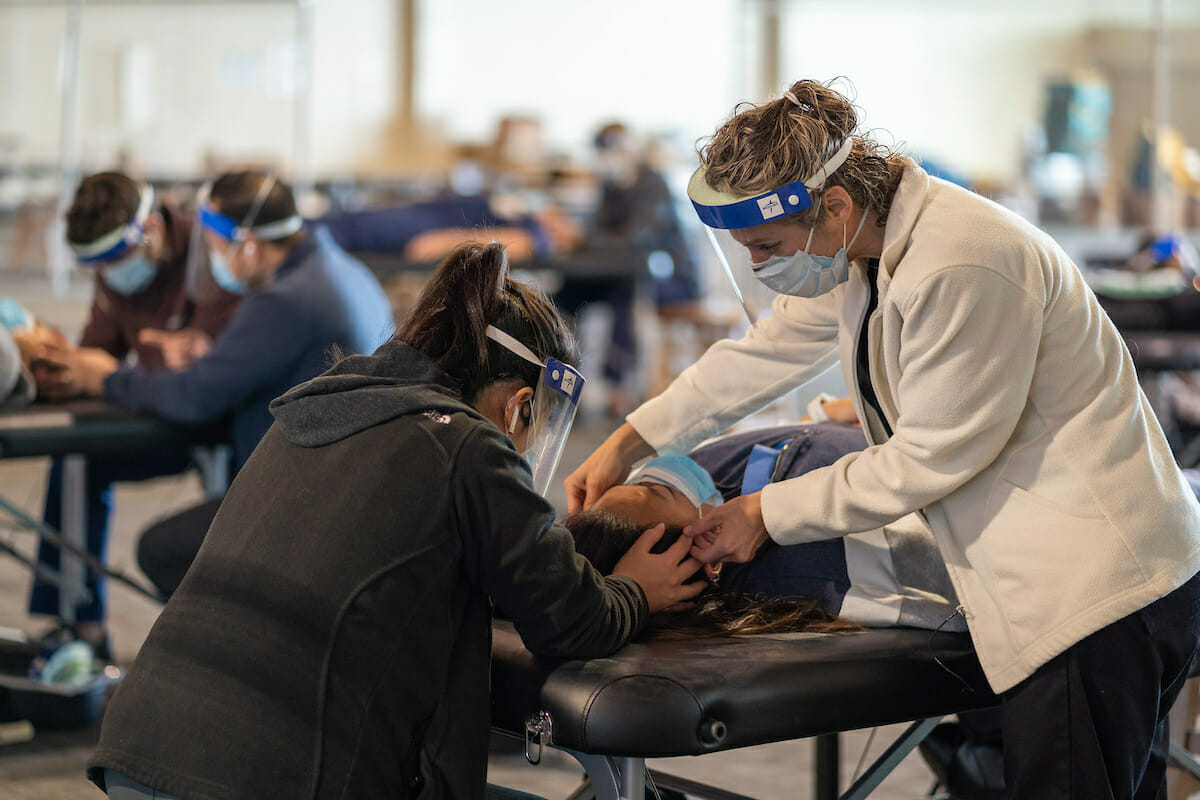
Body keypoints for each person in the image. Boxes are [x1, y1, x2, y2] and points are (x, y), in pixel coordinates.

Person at [567, 79, 1200, 799]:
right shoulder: (863, 253)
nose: (763, 266)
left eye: (769, 246)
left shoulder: (963, 259)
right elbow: (763, 354)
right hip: (1063, 580)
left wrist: (761, 514)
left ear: (832, 207)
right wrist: (632, 437)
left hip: (1097, 593)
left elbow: (931, 456)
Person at [86, 242, 703, 800]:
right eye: (536, 424)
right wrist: (637, 592)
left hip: (141, 749)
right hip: (271, 777)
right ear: (518, 403)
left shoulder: (318, 411)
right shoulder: (467, 446)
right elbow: (575, 621)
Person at [31, 170, 394, 642]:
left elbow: (199, 390)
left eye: (215, 245)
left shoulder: (285, 298)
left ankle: (235, 656)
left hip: (297, 491)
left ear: (246, 247)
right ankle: (80, 625)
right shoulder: (338, 271)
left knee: (161, 549)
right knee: (80, 458)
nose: (212, 257)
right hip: (325, 473)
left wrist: (110, 376)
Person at [22, 173, 242, 656]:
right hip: (154, 414)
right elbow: (96, 353)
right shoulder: (114, 273)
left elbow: (204, 375)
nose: (112, 274)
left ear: (151, 229)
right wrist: (50, 365)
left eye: (116, 260)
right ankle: (81, 629)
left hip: (216, 421)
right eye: (98, 266)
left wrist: (122, 367)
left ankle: (226, 633)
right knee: (75, 454)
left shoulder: (214, 259)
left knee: (235, 484)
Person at [572, 419, 962, 632]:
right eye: (659, 492)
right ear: (708, 553)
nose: (663, 473)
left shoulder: (716, 485)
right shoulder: (840, 568)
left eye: (637, 482)